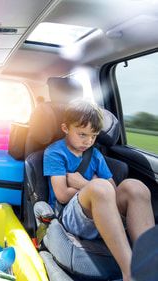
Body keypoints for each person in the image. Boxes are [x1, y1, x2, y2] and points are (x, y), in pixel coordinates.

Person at [42, 99, 154, 281]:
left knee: (136, 187)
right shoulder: (55, 153)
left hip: (100, 209)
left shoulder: (94, 154)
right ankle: (130, 273)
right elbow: (62, 195)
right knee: (100, 187)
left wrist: (81, 183)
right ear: (65, 128)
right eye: (82, 134)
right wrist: (91, 185)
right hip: (70, 215)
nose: (88, 141)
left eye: (93, 136)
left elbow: (113, 188)